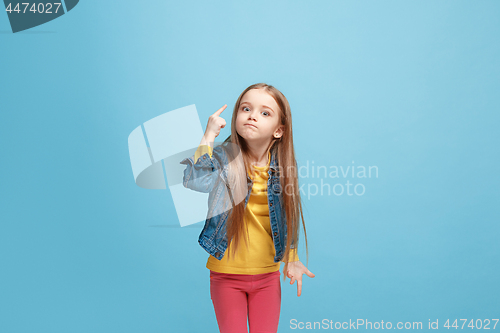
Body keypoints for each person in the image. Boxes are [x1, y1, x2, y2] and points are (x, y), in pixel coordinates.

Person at [180, 83, 315, 333]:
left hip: (267, 277)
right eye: (245, 108)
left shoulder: (283, 166)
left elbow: (288, 214)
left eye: (265, 113)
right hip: (226, 275)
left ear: (279, 131)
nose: (252, 115)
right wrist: (208, 136)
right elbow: (195, 180)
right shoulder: (222, 157)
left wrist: (292, 257)